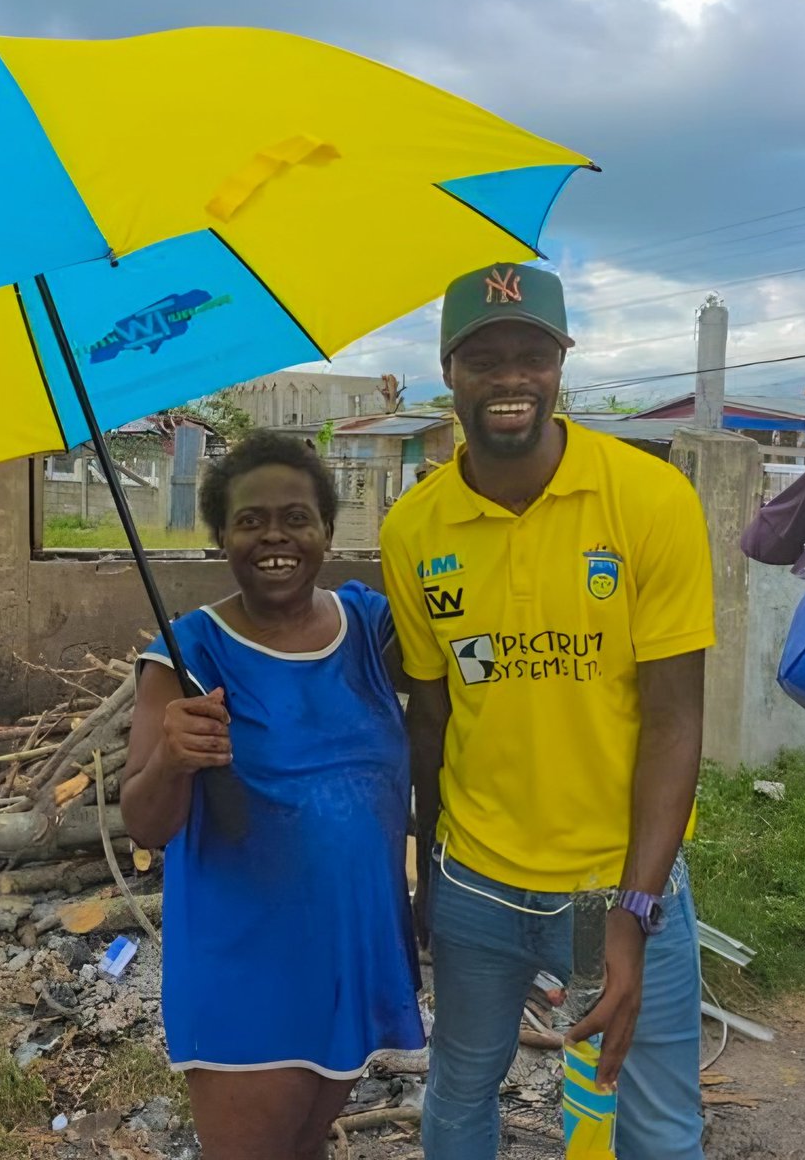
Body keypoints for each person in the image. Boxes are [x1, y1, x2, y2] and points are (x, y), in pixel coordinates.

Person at [380, 262, 715, 1160]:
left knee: (658, 1129)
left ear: (561, 364)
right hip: (475, 883)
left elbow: (675, 722)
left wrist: (633, 910)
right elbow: (430, 717)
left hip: (620, 884)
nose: (511, 378)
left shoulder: (649, 500)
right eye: (484, 358)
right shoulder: (414, 529)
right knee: (459, 1098)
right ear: (449, 373)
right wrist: (426, 878)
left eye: (532, 355)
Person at [122, 431, 424, 1160]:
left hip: (352, 945)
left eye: (296, 517)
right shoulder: (190, 654)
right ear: (221, 537)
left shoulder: (370, 627)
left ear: (328, 530)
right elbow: (145, 823)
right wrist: (172, 759)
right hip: (248, 964)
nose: (274, 536)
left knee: (303, 1144)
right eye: (250, 521)